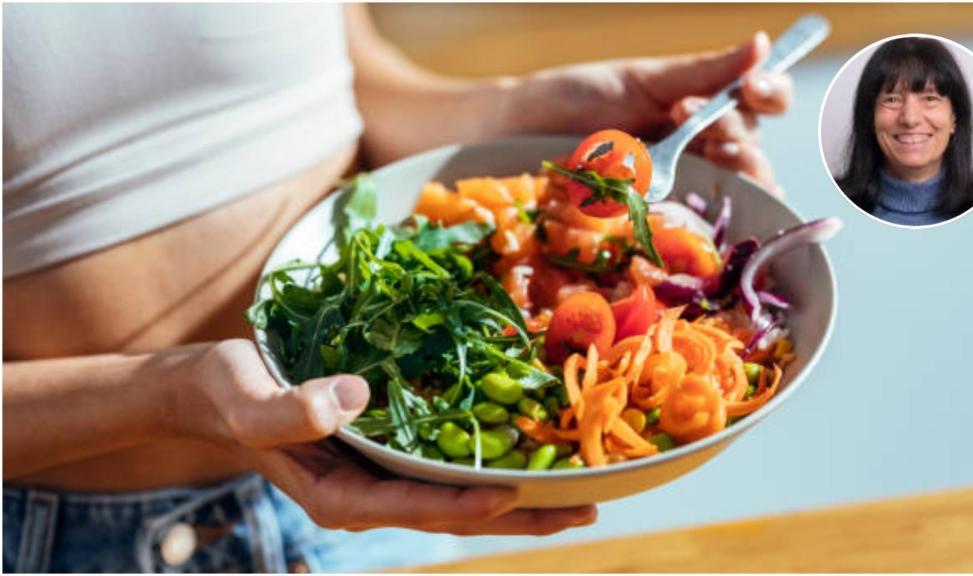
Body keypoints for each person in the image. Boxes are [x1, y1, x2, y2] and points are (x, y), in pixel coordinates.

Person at [3, 4, 793, 572]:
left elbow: (344, 83)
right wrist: (169, 394)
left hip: (390, 489)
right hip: (73, 548)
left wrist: (526, 110)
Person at [835, 37, 973, 226]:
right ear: (869, 117)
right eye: (892, 99)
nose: (910, 119)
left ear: (954, 118)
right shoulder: (833, 208)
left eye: (929, 98)